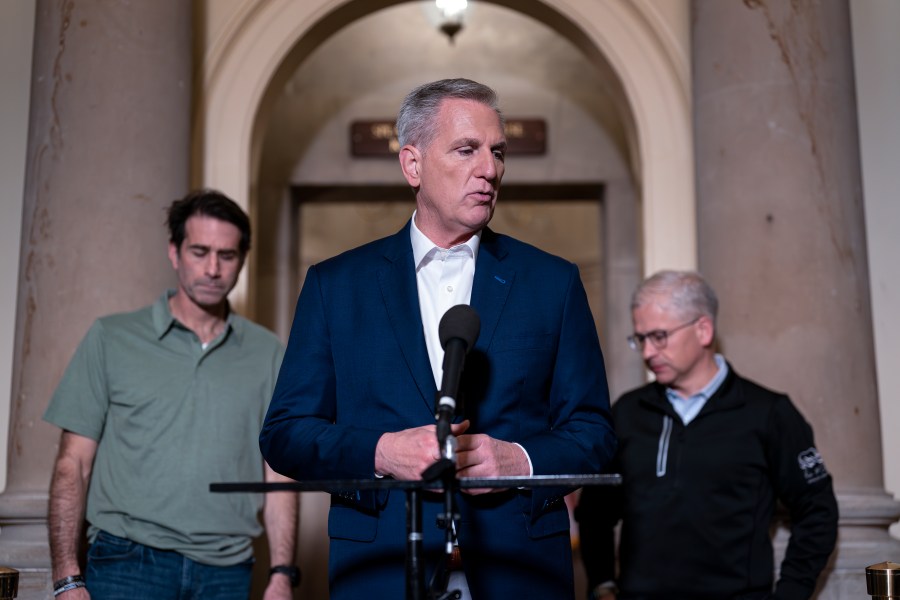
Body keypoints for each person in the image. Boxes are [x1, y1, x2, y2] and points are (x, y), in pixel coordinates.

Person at [259, 78, 616, 599]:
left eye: (497, 152)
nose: (489, 169)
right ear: (413, 164)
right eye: (467, 150)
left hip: (519, 571)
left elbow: (595, 434)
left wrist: (519, 460)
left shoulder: (552, 283)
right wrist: (380, 451)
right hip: (381, 569)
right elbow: (286, 434)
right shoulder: (336, 285)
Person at [44, 190, 300, 600]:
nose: (213, 269)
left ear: (242, 260)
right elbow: (73, 464)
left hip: (227, 570)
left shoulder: (268, 353)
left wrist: (282, 573)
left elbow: (278, 473)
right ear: (174, 252)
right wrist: (67, 578)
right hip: (125, 562)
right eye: (200, 252)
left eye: (227, 255)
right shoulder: (112, 338)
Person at [575, 270, 838, 600]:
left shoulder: (768, 413)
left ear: (703, 330)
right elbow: (594, 513)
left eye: (659, 336)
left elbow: (818, 509)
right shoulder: (628, 412)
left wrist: (791, 592)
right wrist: (602, 584)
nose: (647, 353)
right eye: (640, 339)